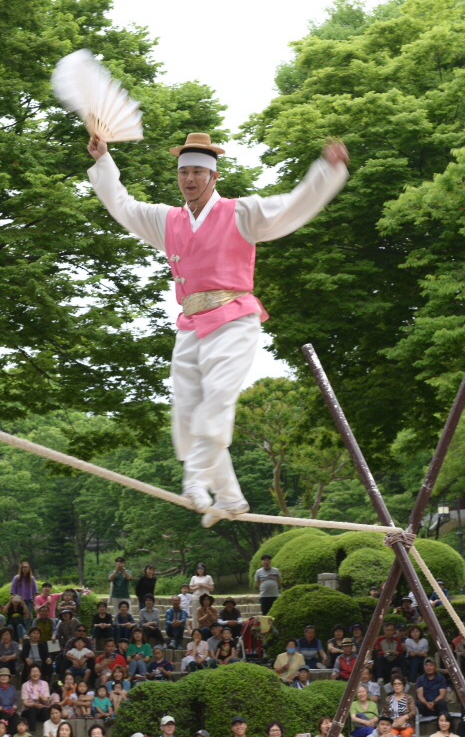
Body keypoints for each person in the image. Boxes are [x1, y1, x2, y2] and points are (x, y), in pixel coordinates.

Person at [88, 129, 347, 525]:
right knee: (188, 410)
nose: (189, 179)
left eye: (197, 172)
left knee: (216, 403)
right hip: (190, 323)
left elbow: (292, 206)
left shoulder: (241, 212)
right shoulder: (167, 220)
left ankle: (195, 481)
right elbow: (122, 205)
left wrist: (326, 172)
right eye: (183, 172)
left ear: (214, 176)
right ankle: (229, 497)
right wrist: (104, 159)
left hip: (234, 318)